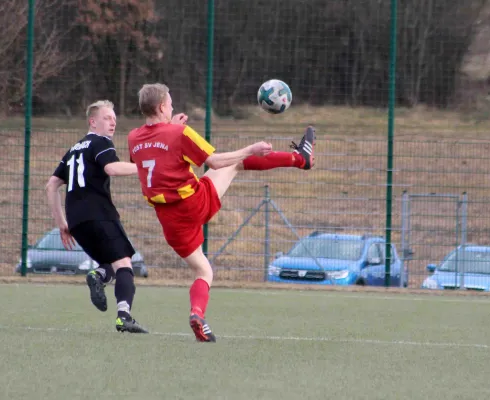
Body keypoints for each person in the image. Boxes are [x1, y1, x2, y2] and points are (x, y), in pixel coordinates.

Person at [127, 83, 316, 342]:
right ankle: (299, 159)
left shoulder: (133, 138)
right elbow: (214, 161)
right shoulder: (180, 133)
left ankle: (198, 315)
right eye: (169, 103)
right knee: (236, 163)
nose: (171, 106)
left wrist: (171, 127)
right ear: (161, 107)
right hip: (193, 203)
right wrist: (251, 149)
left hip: (169, 221)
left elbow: (154, 152)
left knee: (204, 272)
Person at [46, 100, 148, 334]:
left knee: (111, 263)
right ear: (93, 122)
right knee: (124, 263)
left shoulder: (74, 149)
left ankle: (98, 275)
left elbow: (51, 185)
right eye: (107, 118)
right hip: (100, 213)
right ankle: (124, 317)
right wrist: (146, 167)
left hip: (77, 221)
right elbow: (111, 168)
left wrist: (62, 223)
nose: (113, 122)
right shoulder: (101, 142)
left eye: (114, 118)